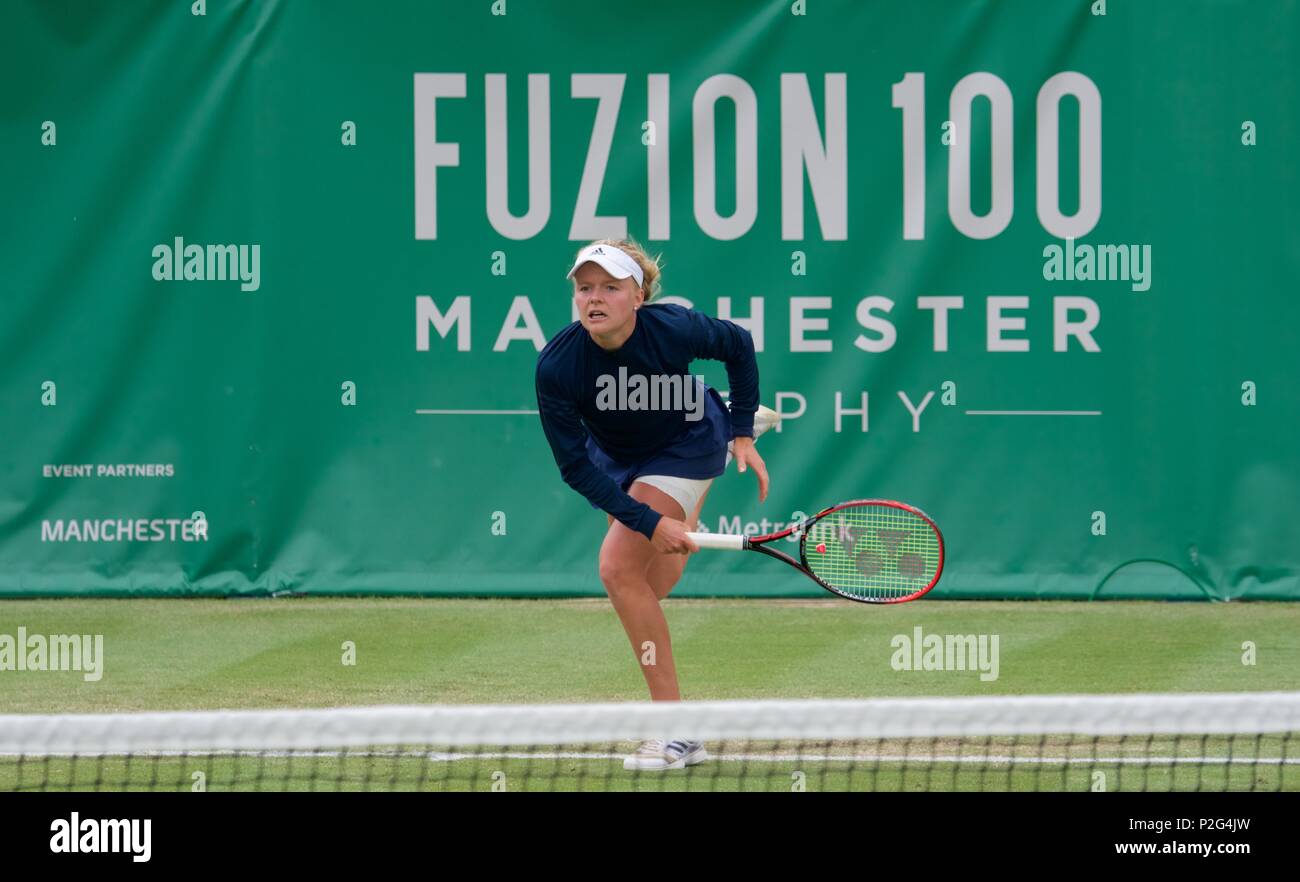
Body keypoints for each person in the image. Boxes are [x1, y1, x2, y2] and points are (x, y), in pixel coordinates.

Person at [535, 238, 777, 771]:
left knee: (617, 568)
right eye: (584, 288)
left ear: (638, 296)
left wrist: (741, 433)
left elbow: (738, 344)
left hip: (685, 441)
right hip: (617, 459)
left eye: (610, 288)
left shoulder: (672, 328)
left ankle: (677, 734)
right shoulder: (558, 365)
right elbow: (574, 467)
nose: (594, 298)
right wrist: (651, 522)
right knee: (652, 585)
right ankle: (685, 508)